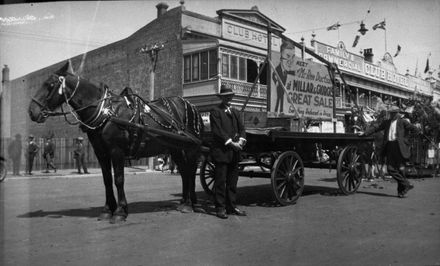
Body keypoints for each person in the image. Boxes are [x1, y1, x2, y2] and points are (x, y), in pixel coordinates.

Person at [360, 106, 421, 198]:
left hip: (399, 147)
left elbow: (415, 130)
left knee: (400, 170)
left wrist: (407, 141)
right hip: (390, 147)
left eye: (393, 113)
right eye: (390, 113)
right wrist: (365, 133)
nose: (391, 115)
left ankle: (401, 192)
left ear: (397, 113)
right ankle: (406, 184)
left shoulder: (403, 122)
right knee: (390, 169)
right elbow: (376, 127)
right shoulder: (387, 123)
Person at [209, 85, 247, 219]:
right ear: (222, 98)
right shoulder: (215, 111)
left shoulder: (236, 112)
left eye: (231, 96)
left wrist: (241, 141)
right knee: (220, 181)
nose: (229, 98)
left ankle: (232, 206)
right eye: (226, 96)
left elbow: (242, 129)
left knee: (232, 182)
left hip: (234, 153)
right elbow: (218, 131)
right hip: (222, 152)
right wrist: (232, 143)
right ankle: (220, 208)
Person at [272, 41, 296, 114]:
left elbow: (290, 73)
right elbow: (273, 75)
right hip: (279, 87)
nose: (290, 61)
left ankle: (281, 111)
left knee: (281, 99)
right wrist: (276, 82)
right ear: (280, 58)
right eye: (287, 56)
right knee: (278, 99)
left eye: (292, 57)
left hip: (283, 88)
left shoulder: (286, 70)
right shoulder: (278, 68)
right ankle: (276, 111)